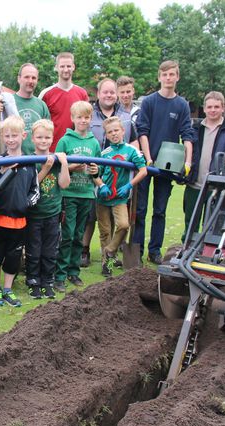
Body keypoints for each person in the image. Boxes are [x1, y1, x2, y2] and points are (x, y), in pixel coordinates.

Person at [135, 60, 195, 264]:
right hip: (146, 163)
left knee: (160, 210)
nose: (168, 78)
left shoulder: (182, 105)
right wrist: (148, 156)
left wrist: (187, 161)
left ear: (177, 77)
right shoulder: (150, 102)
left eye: (172, 74)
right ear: (159, 77)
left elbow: (187, 134)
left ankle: (154, 251)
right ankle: (136, 251)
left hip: (167, 166)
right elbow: (142, 130)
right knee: (140, 209)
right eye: (165, 74)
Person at [81, 78, 139, 267]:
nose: (109, 95)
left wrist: (135, 159)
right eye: (105, 92)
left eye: (112, 92)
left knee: (120, 218)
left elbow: (134, 140)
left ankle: (113, 254)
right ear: (98, 94)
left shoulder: (125, 115)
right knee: (92, 217)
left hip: (120, 176)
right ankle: (85, 251)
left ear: (116, 94)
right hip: (95, 172)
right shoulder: (92, 114)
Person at [0, 116, 40, 306]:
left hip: (19, 222)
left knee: (13, 257)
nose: (10, 139)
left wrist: (25, 204)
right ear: (2, 137)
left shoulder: (30, 163)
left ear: (23, 136)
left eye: (14, 135)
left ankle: (8, 289)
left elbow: (35, 190)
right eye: (7, 135)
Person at [54, 101, 103, 292]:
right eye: (79, 117)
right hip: (68, 194)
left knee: (79, 235)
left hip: (86, 194)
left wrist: (95, 170)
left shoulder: (93, 142)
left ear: (91, 119)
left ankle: (73, 272)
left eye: (87, 117)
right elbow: (57, 168)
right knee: (67, 234)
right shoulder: (65, 140)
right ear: (72, 118)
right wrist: (72, 167)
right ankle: (59, 274)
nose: (83, 120)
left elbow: (98, 169)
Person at [183, 91, 225, 241]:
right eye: (209, 107)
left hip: (216, 188)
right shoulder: (194, 128)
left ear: (223, 108)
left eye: (216, 106)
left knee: (211, 225)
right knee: (190, 222)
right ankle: (186, 249)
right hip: (194, 184)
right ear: (204, 108)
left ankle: (203, 253)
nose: (212, 110)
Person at [96, 117, 148, 276]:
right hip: (103, 197)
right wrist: (101, 185)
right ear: (106, 135)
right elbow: (95, 173)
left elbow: (143, 170)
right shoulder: (104, 153)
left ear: (123, 131)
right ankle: (107, 265)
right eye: (110, 132)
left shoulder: (131, 151)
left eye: (116, 130)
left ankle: (110, 250)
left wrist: (129, 185)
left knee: (124, 225)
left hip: (120, 197)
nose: (113, 134)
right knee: (105, 231)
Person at [25, 119, 70, 299]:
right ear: (33, 139)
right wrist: (45, 168)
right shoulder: (30, 160)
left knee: (50, 250)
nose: (43, 141)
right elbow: (31, 185)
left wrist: (64, 163)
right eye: (39, 137)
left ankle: (47, 281)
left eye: (47, 137)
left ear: (52, 139)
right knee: (34, 250)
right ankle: (33, 281)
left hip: (53, 213)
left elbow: (64, 184)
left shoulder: (57, 160)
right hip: (35, 214)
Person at [39, 52, 89, 151]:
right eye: (62, 66)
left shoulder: (82, 93)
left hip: (76, 150)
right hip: (52, 150)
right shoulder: (46, 94)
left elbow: (87, 123)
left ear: (73, 67)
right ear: (56, 67)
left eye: (68, 66)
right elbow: (39, 125)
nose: (66, 70)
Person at [13, 63, 50, 155]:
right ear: (19, 79)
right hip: (15, 161)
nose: (30, 81)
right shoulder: (9, 102)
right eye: (26, 77)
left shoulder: (41, 105)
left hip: (38, 160)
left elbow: (48, 134)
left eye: (33, 78)